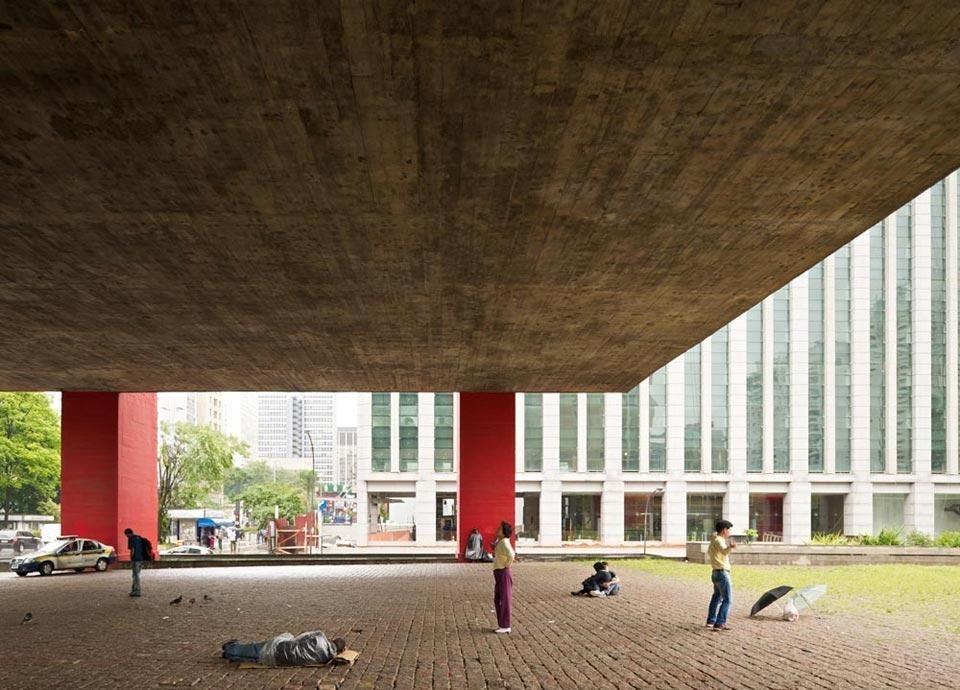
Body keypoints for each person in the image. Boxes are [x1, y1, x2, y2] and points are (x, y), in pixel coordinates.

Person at [221, 630, 346, 666]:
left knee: (255, 649)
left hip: (280, 648)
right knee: (256, 656)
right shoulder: (326, 659)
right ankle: (230, 654)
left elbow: (300, 638)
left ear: (332, 640)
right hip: (281, 661)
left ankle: (230, 648)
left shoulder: (320, 637)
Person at [706, 519, 736, 631]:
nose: (729, 532)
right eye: (729, 529)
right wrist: (730, 547)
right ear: (724, 530)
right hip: (723, 573)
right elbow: (724, 551)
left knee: (716, 597)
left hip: (715, 573)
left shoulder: (714, 539)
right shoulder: (720, 540)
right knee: (727, 599)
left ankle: (711, 621)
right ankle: (720, 623)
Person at [492, 520, 515, 634]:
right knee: (499, 599)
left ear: (504, 532)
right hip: (500, 573)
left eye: (499, 529)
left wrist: (507, 565)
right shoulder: (501, 541)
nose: (497, 530)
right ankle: (502, 624)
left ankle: (505, 625)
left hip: (503, 572)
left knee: (504, 599)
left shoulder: (504, 542)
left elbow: (511, 554)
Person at [124, 527, 146, 597]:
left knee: (136, 575)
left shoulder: (131, 539)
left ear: (128, 533)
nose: (126, 536)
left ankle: (137, 591)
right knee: (136, 575)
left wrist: (131, 557)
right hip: (141, 559)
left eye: (126, 535)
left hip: (135, 559)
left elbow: (132, 549)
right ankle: (134, 590)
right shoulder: (139, 537)